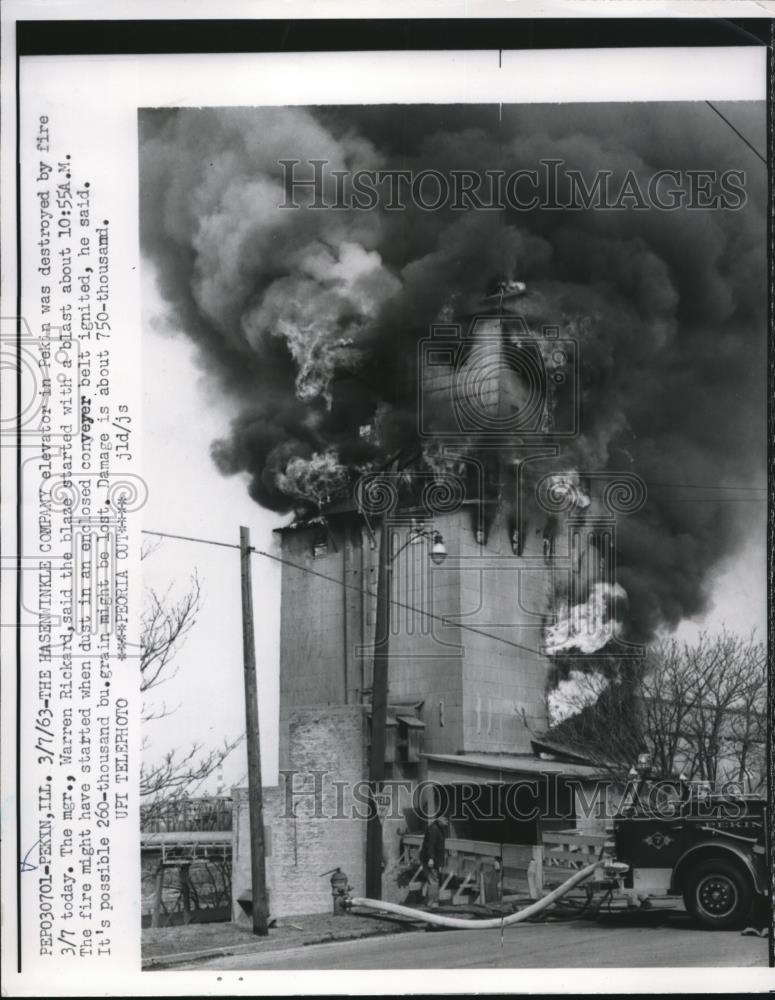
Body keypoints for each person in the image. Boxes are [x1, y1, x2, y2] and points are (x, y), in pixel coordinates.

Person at [419, 814, 448, 908]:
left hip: (433, 858)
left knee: (431, 879)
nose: (447, 822)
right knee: (434, 880)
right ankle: (433, 902)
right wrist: (431, 858)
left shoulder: (439, 828)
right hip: (430, 858)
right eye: (445, 820)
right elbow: (431, 845)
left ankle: (429, 901)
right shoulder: (434, 829)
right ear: (439, 820)